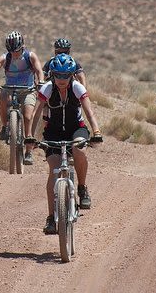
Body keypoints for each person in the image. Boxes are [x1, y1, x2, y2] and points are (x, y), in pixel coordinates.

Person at [29, 53, 102, 235]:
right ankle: (51, 217)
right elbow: (36, 114)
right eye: (58, 75)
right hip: (53, 132)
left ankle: (82, 188)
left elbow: (89, 112)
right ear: (52, 74)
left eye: (66, 75)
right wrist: (30, 136)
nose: (62, 79)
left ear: (71, 75)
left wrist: (97, 131)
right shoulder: (47, 89)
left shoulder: (77, 88)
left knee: (79, 150)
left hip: (76, 129)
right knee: (53, 171)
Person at [0, 31, 43, 165]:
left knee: (28, 117)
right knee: (3, 97)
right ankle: (5, 127)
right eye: (11, 51)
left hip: (28, 90)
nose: (14, 53)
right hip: (10, 88)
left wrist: (41, 81)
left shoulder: (30, 56)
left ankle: (28, 151)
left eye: (16, 50)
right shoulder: (5, 58)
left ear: (22, 46)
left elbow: (39, 70)